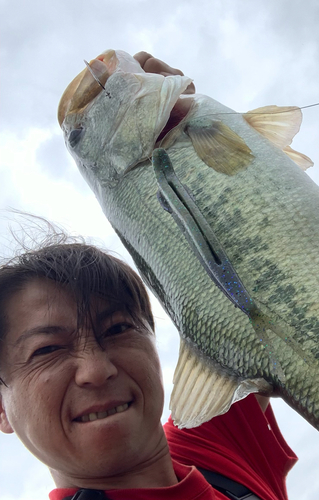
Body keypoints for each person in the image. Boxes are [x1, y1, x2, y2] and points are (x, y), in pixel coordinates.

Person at [0, 54, 297, 500]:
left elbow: (278, 272)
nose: (97, 371)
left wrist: (188, 125)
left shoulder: (214, 443)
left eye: (118, 329)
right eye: (47, 349)